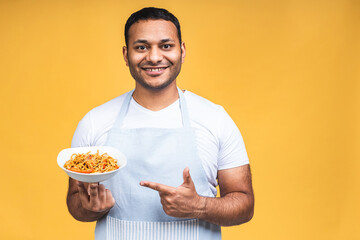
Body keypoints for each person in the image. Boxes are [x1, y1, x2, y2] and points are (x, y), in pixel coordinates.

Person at [66, 7, 254, 240]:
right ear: (126, 55)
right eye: (142, 47)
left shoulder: (215, 119)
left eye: (166, 46)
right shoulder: (95, 121)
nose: (154, 57)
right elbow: (75, 201)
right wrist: (90, 208)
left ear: (182, 51)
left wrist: (200, 206)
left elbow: (245, 203)